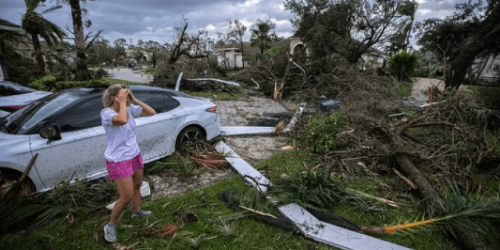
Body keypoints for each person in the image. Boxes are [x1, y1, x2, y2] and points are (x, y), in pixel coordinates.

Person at [101, 84, 156, 242]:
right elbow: (122, 120)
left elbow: (151, 112)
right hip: (118, 160)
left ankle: (137, 211)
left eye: (127, 94)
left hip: (134, 154)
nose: (126, 97)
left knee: (137, 186)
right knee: (126, 197)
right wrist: (124, 103)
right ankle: (111, 225)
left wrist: (134, 99)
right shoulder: (107, 113)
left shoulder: (130, 109)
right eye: (123, 95)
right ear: (113, 98)